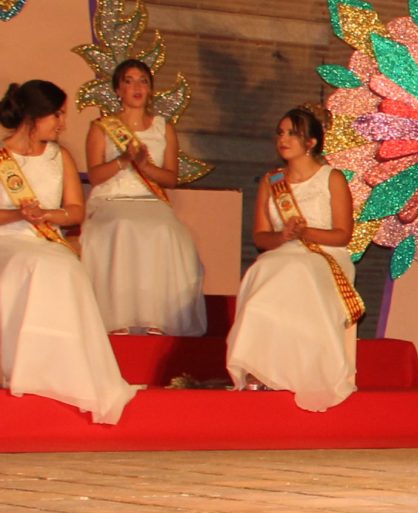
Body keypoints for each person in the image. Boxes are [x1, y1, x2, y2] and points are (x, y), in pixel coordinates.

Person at [0, 80, 137, 424]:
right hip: (8, 240)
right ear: (33, 116)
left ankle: (59, 367)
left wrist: (47, 214)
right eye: (57, 115)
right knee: (33, 265)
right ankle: (21, 366)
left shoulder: (60, 156)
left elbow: (75, 211)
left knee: (66, 268)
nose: (62, 123)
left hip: (46, 240)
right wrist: (20, 214)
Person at [226, 107, 360, 411]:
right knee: (263, 269)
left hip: (325, 254)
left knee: (296, 269)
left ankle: (304, 370)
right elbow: (261, 238)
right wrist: (285, 236)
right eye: (280, 133)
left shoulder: (332, 178)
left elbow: (343, 235)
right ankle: (259, 367)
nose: (283, 139)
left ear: (311, 142)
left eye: (292, 133)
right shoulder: (271, 181)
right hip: (284, 253)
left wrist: (305, 232)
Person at [82, 58, 207, 336]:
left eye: (143, 81)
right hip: (113, 201)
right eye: (129, 81)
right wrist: (124, 160)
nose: (137, 87)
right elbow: (95, 175)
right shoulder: (102, 127)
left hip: (151, 201)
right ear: (118, 89)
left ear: (150, 89)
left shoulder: (164, 128)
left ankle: (157, 318)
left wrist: (145, 166)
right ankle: (118, 319)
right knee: (123, 226)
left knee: (165, 230)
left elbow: (170, 178)